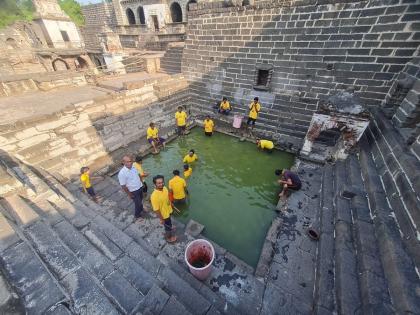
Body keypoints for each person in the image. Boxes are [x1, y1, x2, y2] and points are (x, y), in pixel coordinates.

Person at [150, 175, 177, 243]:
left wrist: (171, 203)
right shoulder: (154, 196)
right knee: (167, 227)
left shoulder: (164, 188)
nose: (161, 184)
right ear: (155, 184)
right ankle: (169, 238)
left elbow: (167, 197)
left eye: (162, 182)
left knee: (169, 222)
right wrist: (161, 219)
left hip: (169, 210)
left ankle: (170, 226)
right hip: (164, 215)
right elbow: (156, 210)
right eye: (159, 183)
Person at [118, 155, 144, 221]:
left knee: (141, 200)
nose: (130, 163)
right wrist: (129, 194)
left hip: (140, 187)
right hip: (133, 191)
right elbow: (123, 186)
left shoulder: (133, 167)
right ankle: (137, 215)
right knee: (137, 203)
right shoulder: (122, 173)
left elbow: (138, 175)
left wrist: (142, 183)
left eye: (130, 161)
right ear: (123, 162)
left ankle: (142, 209)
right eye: (128, 162)